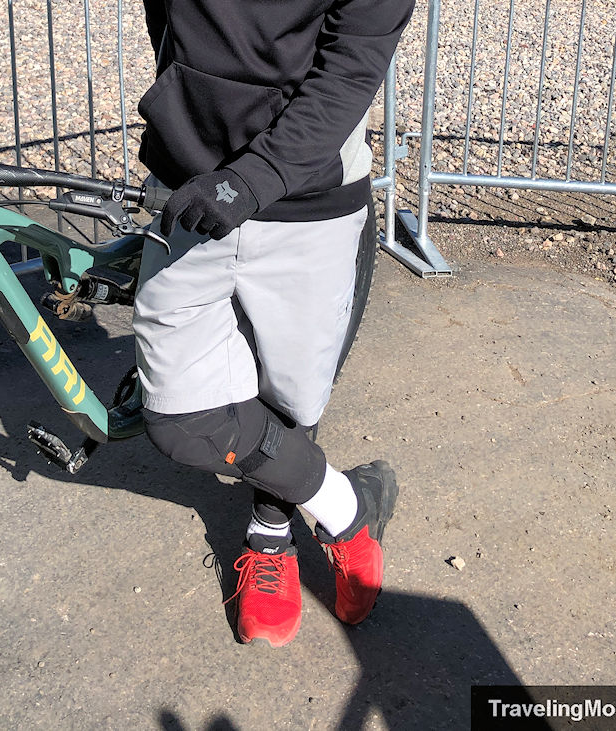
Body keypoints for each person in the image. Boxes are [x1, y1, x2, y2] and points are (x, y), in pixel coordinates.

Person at [133, 0, 415, 646]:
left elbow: (350, 70)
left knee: (292, 391)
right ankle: (348, 509)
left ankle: (271, 534)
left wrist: (249, 180)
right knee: (179, 418)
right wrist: (187, 110)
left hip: (308, 198)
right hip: (192, 182)